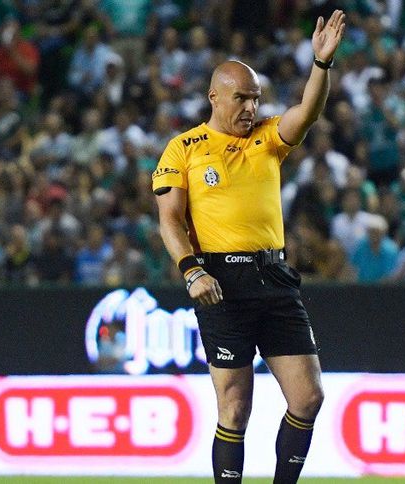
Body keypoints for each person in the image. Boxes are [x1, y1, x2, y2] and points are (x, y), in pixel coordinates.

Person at [151, 10, 346, 483]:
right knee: (235, 407)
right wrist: (192, 271)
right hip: (221, 281)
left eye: (255, 98)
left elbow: (307, 112)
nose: (250, 108)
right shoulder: (184, 148)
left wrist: (320, 64)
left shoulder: (269, 138)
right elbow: (170, 220)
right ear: (214, 96)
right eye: (241, 98)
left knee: (308, 398)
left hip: (274, 276)